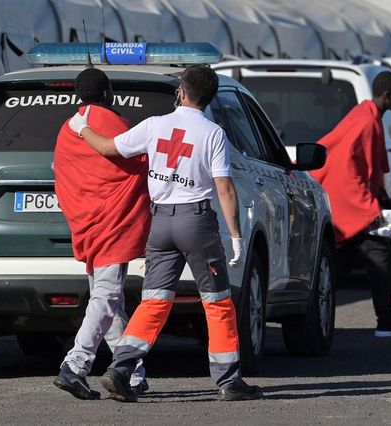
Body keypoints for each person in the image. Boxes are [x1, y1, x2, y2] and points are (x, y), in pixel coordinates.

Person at [68, 64, 263, 402]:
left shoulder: (155, 125)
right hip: (197, 223)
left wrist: (82, 127)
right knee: (217, 302)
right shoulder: (214, 133)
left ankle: (121, 368)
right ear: (210, 98)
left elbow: (110, 148)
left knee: (154, 302)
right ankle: (229, 381)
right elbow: (225, 188)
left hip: (160, 224)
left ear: (181, 93)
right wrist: (236, 236)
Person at [52, 68, 151, 400]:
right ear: (107, 93)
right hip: (114, 224)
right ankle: (75, 366)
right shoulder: (115, 124)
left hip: (87, 224)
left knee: (112, 302)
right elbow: (141, 162)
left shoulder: (69, 128)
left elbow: (63, 173)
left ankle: (131, 375)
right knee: (106, 298)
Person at [310, 71, 391, 338]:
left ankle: (311, 311)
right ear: (388, 94)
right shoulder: (367, 120)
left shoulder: (367, 114)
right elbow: (350, 165)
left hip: (355, 199)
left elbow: (365, 164)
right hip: (355, 201)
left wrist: (380, 195)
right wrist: (371, 204)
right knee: (381, 251)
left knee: (346, 258)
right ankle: (386, 320)